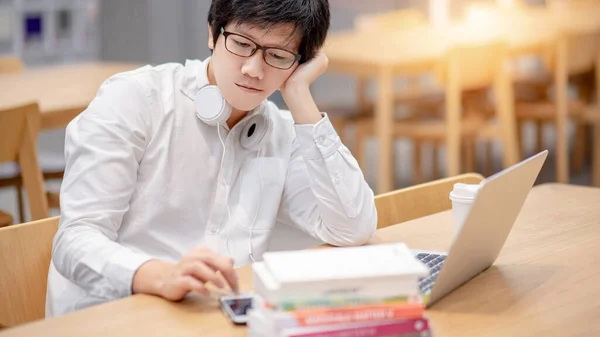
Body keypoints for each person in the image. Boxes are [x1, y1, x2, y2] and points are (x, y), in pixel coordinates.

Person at [46, 0, 377, 317]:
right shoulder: (135, 100)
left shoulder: (282, 132)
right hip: (115, 316)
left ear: (300, 63)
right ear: (212, 34)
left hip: (216, 318)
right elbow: (75, 241)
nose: (252, 69)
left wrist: (300, 96)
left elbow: (352, 228)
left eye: (277, 55)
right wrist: (159, 275)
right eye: (241, 44)